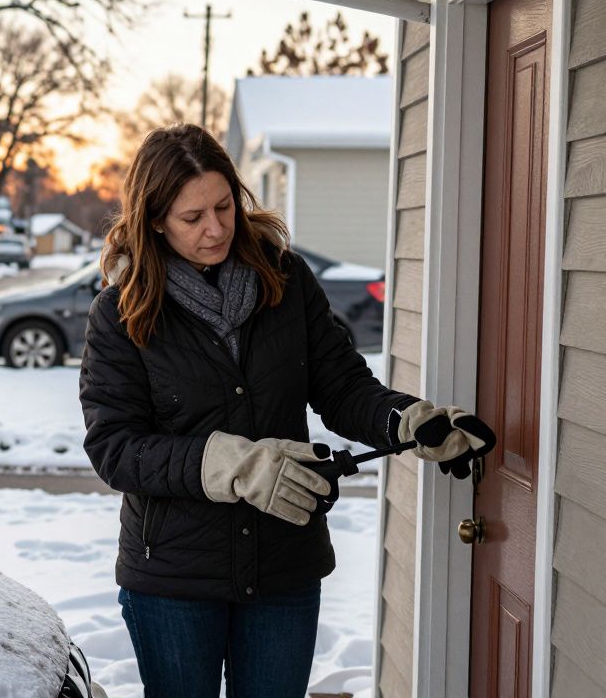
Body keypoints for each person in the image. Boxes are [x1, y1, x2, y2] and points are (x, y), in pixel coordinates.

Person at [79, 124, 495, 698]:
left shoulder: (285, 280)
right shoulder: (121, 314)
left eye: (224, 206)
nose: (216, 228)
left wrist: (404, 419)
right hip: (173, 578)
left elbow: (342, 385)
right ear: (154, 220)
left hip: (282, 562)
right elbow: (115, 449)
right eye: (192, 217)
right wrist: (234, 464)